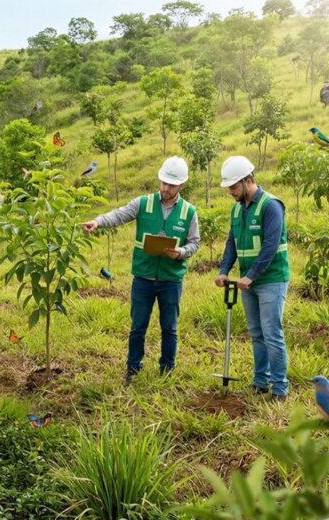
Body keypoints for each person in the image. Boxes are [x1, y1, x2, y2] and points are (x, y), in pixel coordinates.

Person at [81, 157, 200, 383]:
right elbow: (118, 214)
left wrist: (181, 252)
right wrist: (98, 221)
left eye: (171, 185)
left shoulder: (188, 212)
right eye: (163, 183)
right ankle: (133, 369)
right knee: (138, 326)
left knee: (169, 328)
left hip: (171, 280)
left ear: (181, 186)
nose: (165, 188)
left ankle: (167, 370)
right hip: (143, 278)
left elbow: (194, 242)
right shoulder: (143, 203)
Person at [215, 156, 290, 401]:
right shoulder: (237, 209)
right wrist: (224, 270)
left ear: (248, 181)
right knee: (256, 332)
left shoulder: (271, 206)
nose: (231, 192)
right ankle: (260, 382)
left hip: (271, 279)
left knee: (271, 333)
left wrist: (251, 276)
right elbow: (232, 243)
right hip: (248, 281)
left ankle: (279, 388)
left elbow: (270, 246)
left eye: (234, 187)